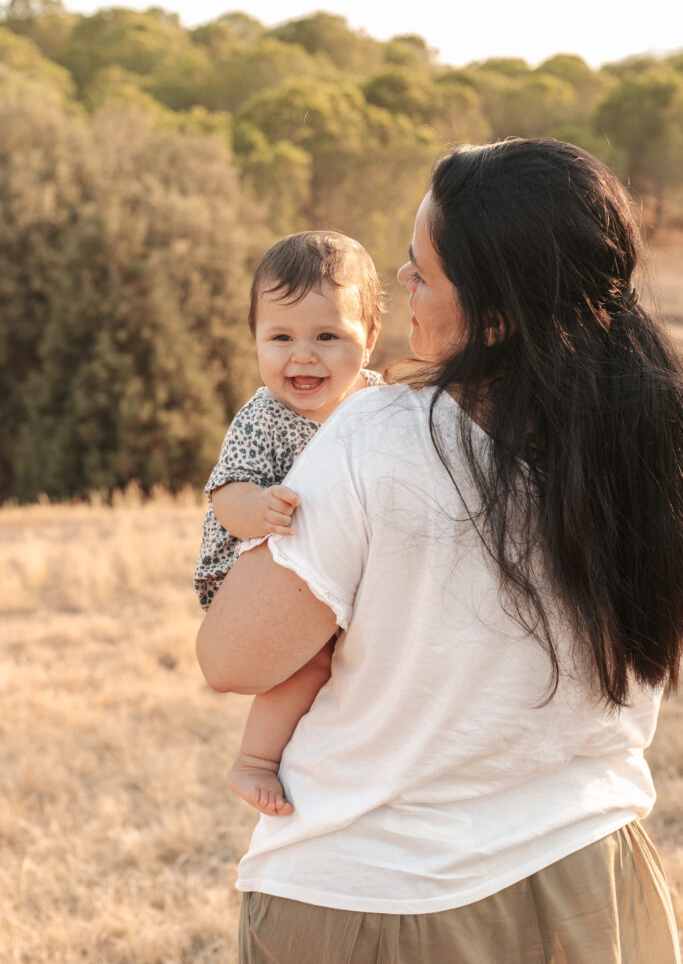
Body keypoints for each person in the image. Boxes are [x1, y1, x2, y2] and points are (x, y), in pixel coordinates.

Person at [197, 138, 682, 964]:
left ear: (493, 313)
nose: (401, 286)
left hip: (378, 897)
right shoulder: (650, 438)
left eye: (420, 272)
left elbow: (231, 656)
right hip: (593, 877)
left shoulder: (375, 436)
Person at [194, 230, 383, 817]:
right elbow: (225, 493)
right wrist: (261, 509)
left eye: (327, 336)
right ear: (254, 339)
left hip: (330, 569)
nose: (303, 355)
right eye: (280, 337)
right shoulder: (262, 417)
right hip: (249, 566)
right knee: (312, 665)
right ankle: (254, 761)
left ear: (370, 339)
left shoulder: (377, 403)